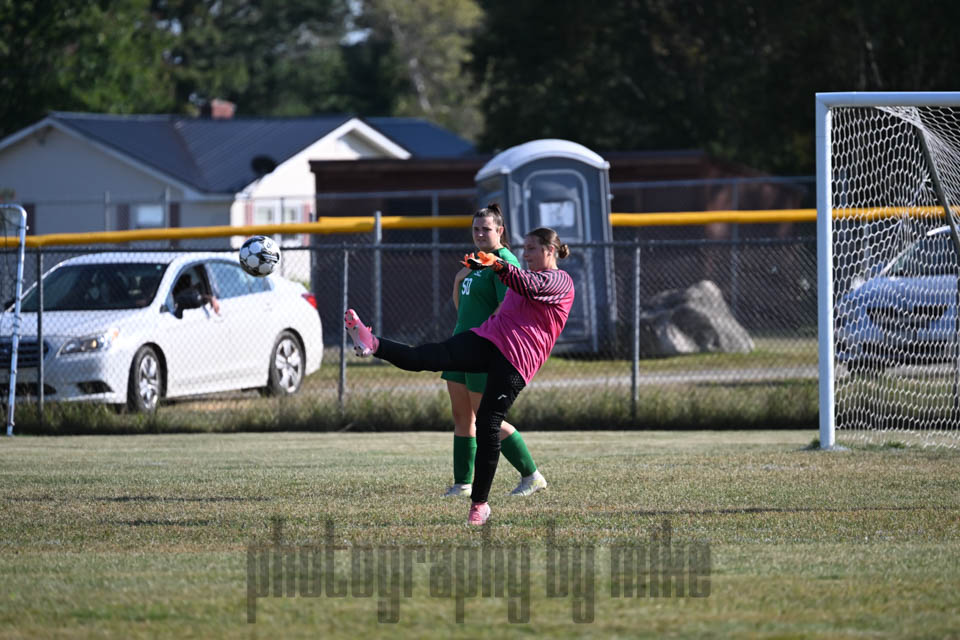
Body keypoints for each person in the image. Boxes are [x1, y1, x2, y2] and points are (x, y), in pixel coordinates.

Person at [345, 227, 574, 526]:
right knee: (428, 356)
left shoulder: (560, 280)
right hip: (489, 339)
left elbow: (528, 285)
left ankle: (479, 504)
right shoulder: (520, 272)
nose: (526, 254)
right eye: (524, 248)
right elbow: (512, 285)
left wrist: (497, 264)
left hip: (517, 360)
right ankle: (373, 344)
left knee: (488, 424)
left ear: (550, 250)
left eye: (531, 248)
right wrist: (484, 268)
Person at [441, 204, 547, 499]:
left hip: (482, 348)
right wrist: (458, 280)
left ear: (500, 231)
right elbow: (463, 308)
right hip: (460, 343)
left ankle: (532, 475)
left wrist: (485, 339)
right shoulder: (477, 261)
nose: (479, 234)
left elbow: (507, 307)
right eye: (475, 228)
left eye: (486, 229)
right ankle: (463, 484)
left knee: (488, 418)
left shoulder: (505, 261)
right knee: (462, 417)